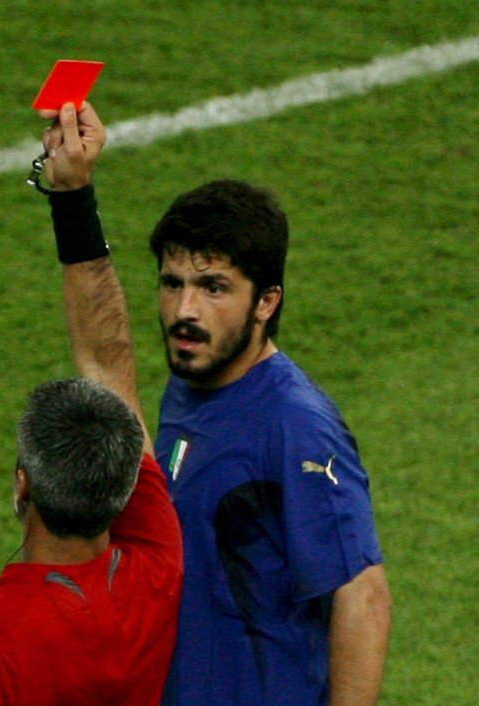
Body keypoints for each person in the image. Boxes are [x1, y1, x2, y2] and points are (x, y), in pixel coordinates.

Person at [0, 102, 183, 705]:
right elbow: (109, 366)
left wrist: (72, 195)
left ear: (21, 486)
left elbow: (108, 365)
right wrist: (75, 196)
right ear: (123, 488)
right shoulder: (155, 572)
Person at [150, 180, 392, 704]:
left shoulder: (295, 424)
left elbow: (363, 596)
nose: (184, 310)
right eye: (172, 283)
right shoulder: (188, 385)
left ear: (266, 302)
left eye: (213, 288)